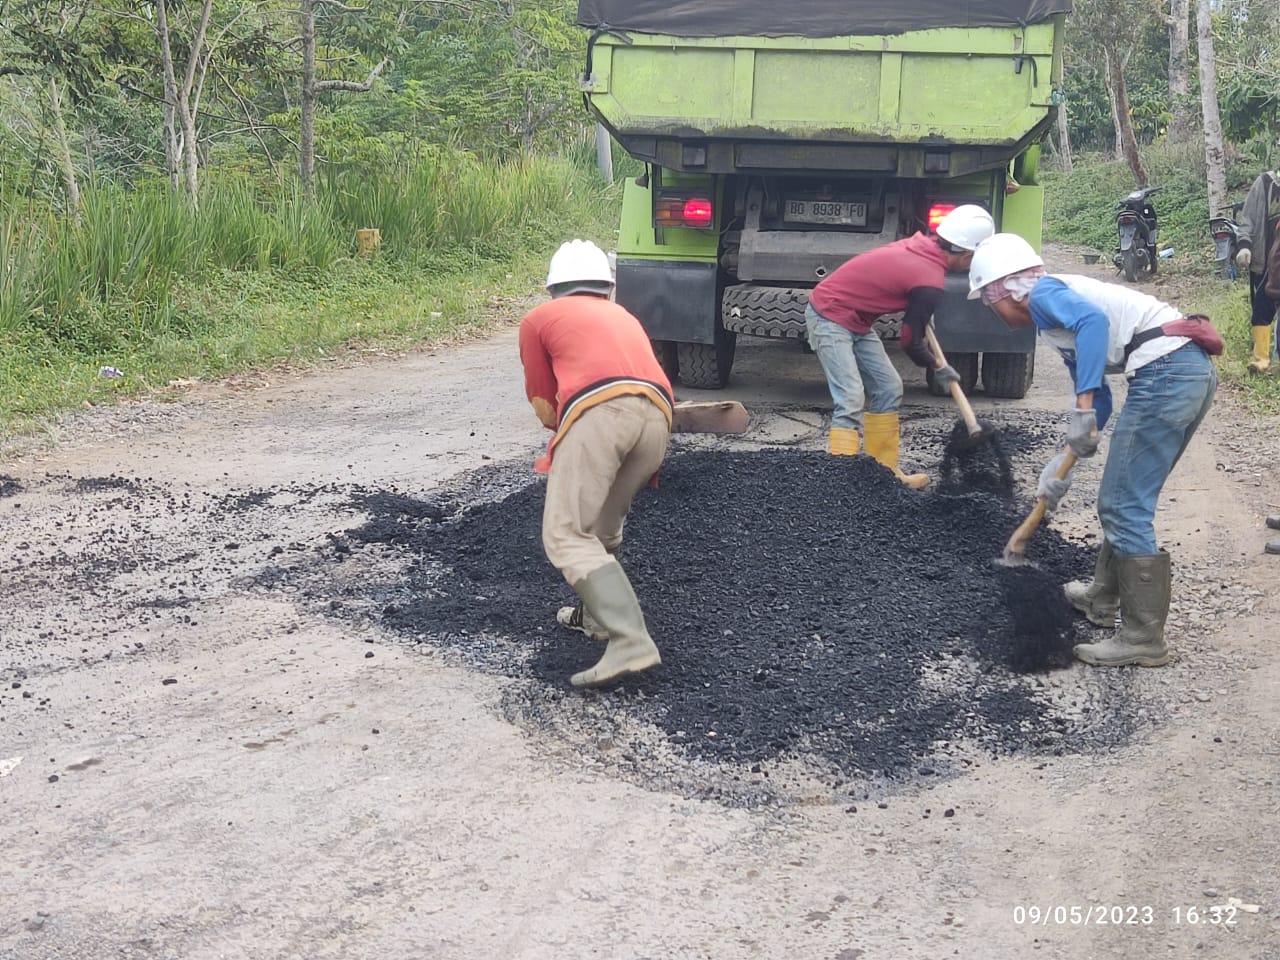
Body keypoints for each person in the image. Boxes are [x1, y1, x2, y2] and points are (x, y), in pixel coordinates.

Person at [968, 233, 1219, 667]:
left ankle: (1143, 638)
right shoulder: (1051, 321)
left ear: (1006, 287)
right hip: (1180, 372)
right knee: (1124, 495)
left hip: (1168, 374)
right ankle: (1102, 598)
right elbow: (1100, 397)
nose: (993, 312)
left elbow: (1094, 325)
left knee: (1122, 504)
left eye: (990, 301)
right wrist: (1063, 460)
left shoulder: (1045, 293)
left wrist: (1082, 403)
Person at [518, 239, 674, 688]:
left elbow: (545, 403)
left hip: (600, 411)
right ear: (606, 287)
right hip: (658, 417)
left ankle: (629, 637)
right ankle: (597, 620)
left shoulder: (539, 319)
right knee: (602, 528)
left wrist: (565, 440)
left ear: (553, 287)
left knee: (566, 533)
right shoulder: (623, 315)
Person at [805, 204, 995, 487]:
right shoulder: (928, 279)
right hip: (829, 315)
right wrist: (936, 366)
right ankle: (839, 485)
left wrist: (919, 309)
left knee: (888, 388)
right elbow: (909, 341)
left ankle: (883, 476)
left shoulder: (923, 245)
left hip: (856, 320)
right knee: (851, 398)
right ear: (967, 255)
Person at [1233, 169, 1280, 373]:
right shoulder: (1266, 183)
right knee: (1261, 308)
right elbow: (1248, 219)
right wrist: (1244, 245)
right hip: (1266, 260)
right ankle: (1261, 359)